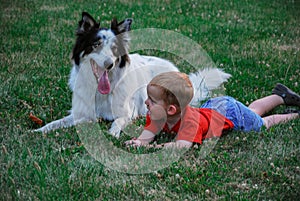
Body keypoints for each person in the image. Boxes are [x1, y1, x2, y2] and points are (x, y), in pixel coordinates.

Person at [125, 71, 300, 149]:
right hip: (213, 107)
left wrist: (154, 147)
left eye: (152, 100)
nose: (146, 102)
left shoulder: (189, 122)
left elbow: (182, 146)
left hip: (231, 114)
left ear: (171, 110)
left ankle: (293, 115)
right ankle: (281, 96)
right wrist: (141, 142)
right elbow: (148, 134)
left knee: (261, 121)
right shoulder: (156, 115)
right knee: (251, 109)